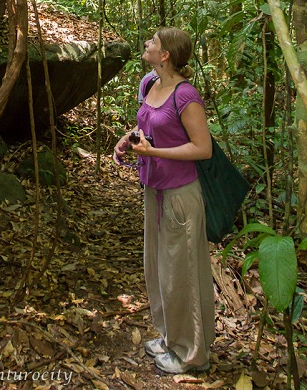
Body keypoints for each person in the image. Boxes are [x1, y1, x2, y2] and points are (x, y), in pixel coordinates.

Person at [114, 27, 215, 374]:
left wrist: (154, 151)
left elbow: (203, 149)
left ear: (166, 54)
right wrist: (128, 141)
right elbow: (148, 125)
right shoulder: (149, 84)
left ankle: (192, 352)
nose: (146, 44)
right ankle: (171, 337)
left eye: (152, 42)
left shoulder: (186, 96)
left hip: (181, 196)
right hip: (154, 191)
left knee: (182, 273)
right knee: (159, 268)